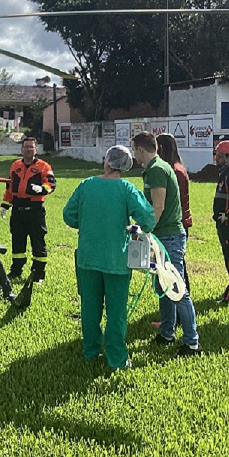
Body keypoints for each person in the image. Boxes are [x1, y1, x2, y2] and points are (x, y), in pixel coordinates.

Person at [63, 145, 156, 369]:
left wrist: (86, 224)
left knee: (90, 307)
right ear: (125, 166)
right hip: (116, 260)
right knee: (116, 311)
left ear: (106, 161)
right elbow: (148, 220)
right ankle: (116, 358)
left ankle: (90, 351)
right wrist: (134, 227)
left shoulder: (86, 185)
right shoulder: (127, 189)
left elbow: (68, 215)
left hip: (87, 258)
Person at [131, 131, 202, 356]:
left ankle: (192, 342)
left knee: (177, 289)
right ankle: (167, 333)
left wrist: (144, 230)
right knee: (163, 287)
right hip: (163, 236)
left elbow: (158, 207)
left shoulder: (156, 170)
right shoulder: (157, 167)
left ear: (141, 149)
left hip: (169, 236)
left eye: (134, 150)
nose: (134, 155)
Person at [0, 136, 56, 283]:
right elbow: (10, 187)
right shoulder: (15, 165)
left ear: (36, 150)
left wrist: (42, 189)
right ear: (21, 149)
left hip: (35, 211)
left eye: (31, 147)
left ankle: (38, 274)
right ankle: (16, 271)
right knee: (17, 242)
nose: (28, 150)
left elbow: (51, 185)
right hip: (17, 211)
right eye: (26, 147)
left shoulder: (44, 166)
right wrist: (5, 204)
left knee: (38, 242)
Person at [156, 133, 192, 293]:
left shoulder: (174, 171)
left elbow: (170, 202)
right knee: (176, 267)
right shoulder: (177, 168)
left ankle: (179, 309)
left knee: (174, 269)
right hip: (181, 221)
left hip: (177, 224)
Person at [213, 139, 229, 304]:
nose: (216, 159)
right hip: (224, 224)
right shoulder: (225, 173)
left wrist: (227, 215)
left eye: (218, 156)